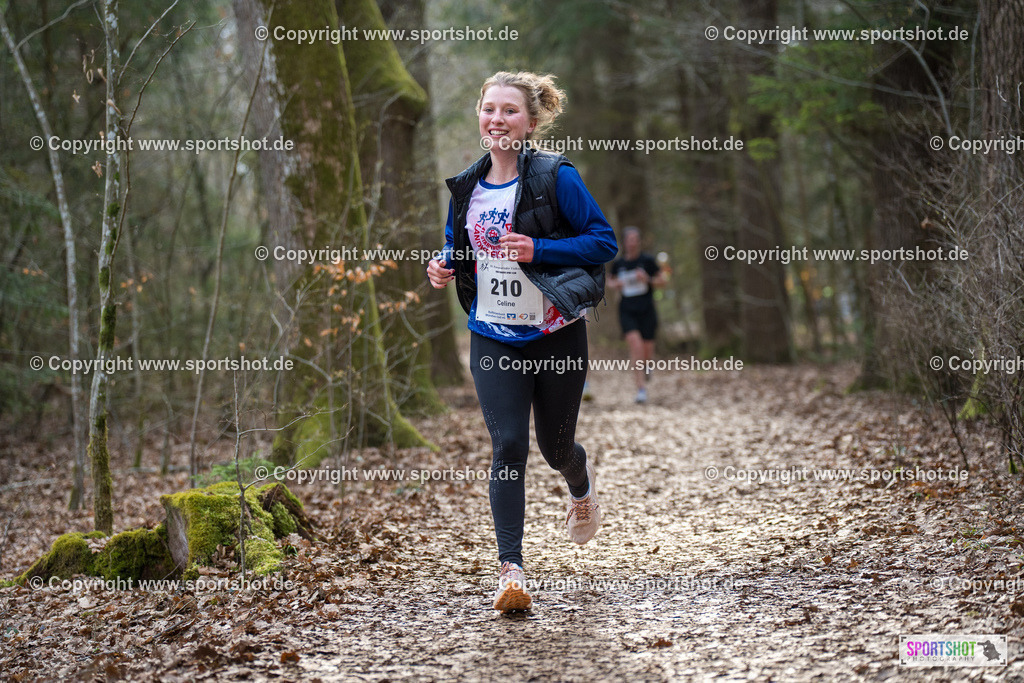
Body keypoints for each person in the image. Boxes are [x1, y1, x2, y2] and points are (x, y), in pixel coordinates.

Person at [426, 71, 617, 612]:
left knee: (555, 449)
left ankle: (580, 489)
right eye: (489, 109)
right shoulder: (466, 187)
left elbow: (601, 242)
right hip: (493, 335)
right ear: (479, 117)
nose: (498, 119)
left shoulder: (557, 176)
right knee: (507, 446)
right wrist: (443, 265)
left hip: (555, 333)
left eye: (510, 110)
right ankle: (512, 571)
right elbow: (458, 246)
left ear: (531, 122)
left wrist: (538, 249)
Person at [607, 227, 664, 404]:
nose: (632, 243)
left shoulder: (647, 260)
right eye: (629, 239)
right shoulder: (619, 263)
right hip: (627, 309)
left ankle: (647, 365)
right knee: (636, 346)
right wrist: (616, 284)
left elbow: (662, 280)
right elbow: (609, 280)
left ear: (639, 241)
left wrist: (647, 279)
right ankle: (640, 389)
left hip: (646, 309)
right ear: (624, 242)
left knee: (647, 349)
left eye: (635, 239)